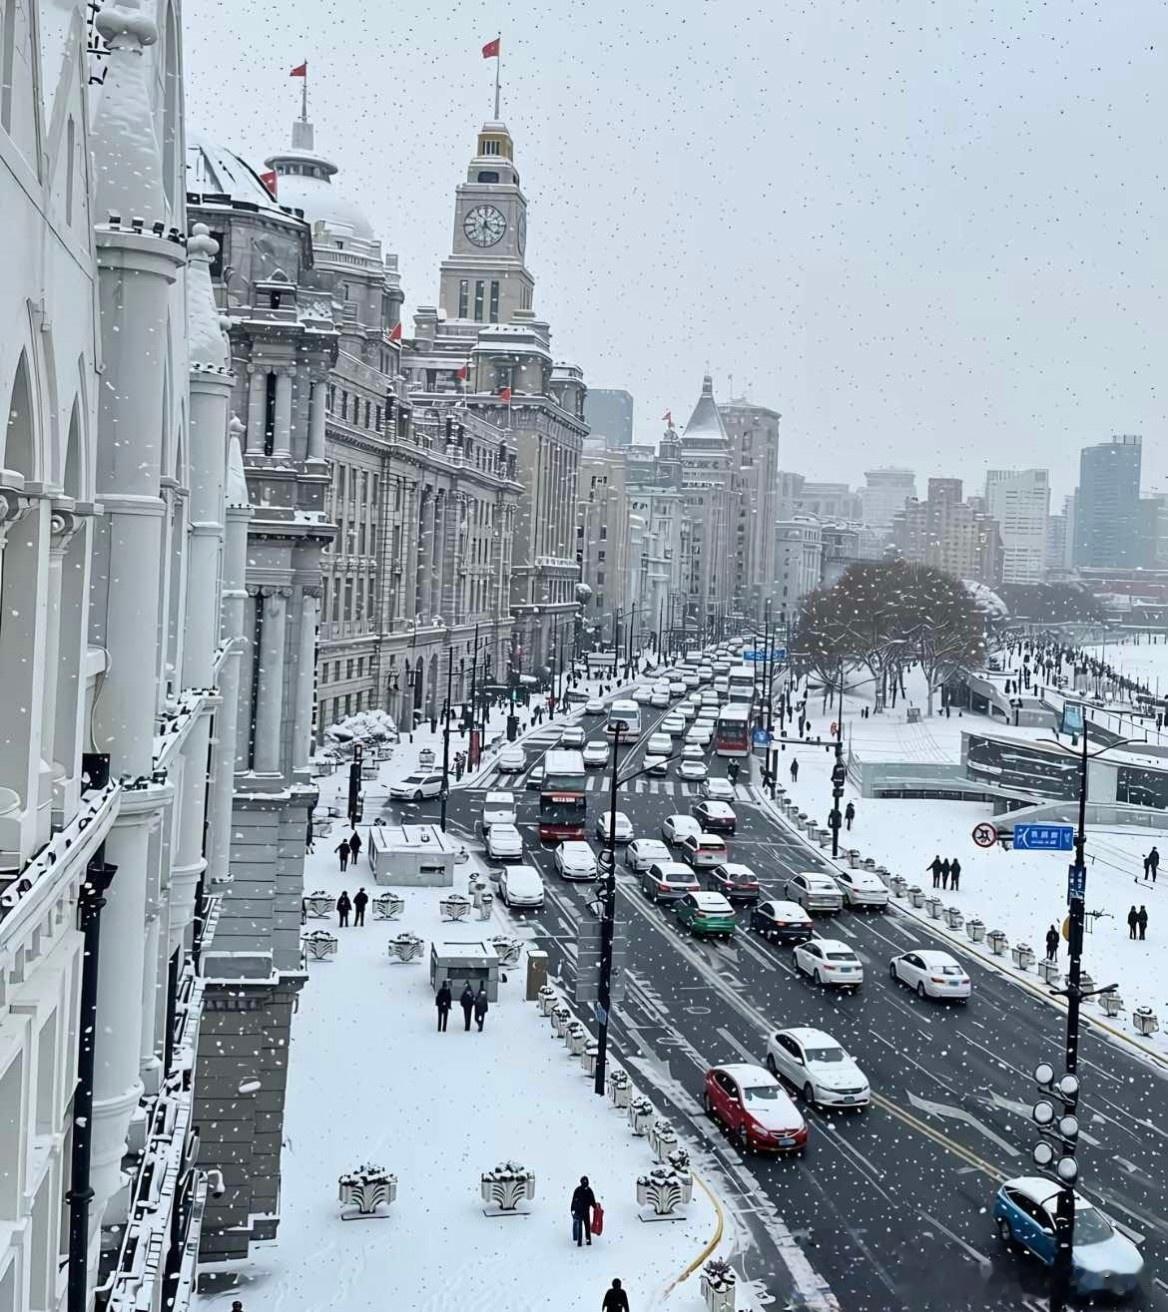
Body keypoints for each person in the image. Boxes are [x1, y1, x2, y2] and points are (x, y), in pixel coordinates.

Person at [571, 1175, 597, 1247]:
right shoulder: (578, 1190)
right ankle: (580, 1242)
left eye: (586, 1182)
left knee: (587, 1226)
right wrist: (573, 1210)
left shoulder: (588, 1191)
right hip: (579, 1212)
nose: (585, 1184)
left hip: (585, 1212)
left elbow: (592, 1201)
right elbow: (574, 1201)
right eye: (584, 1182)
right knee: (581, 1227)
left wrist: (595, 1206)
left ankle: (587, 1241)